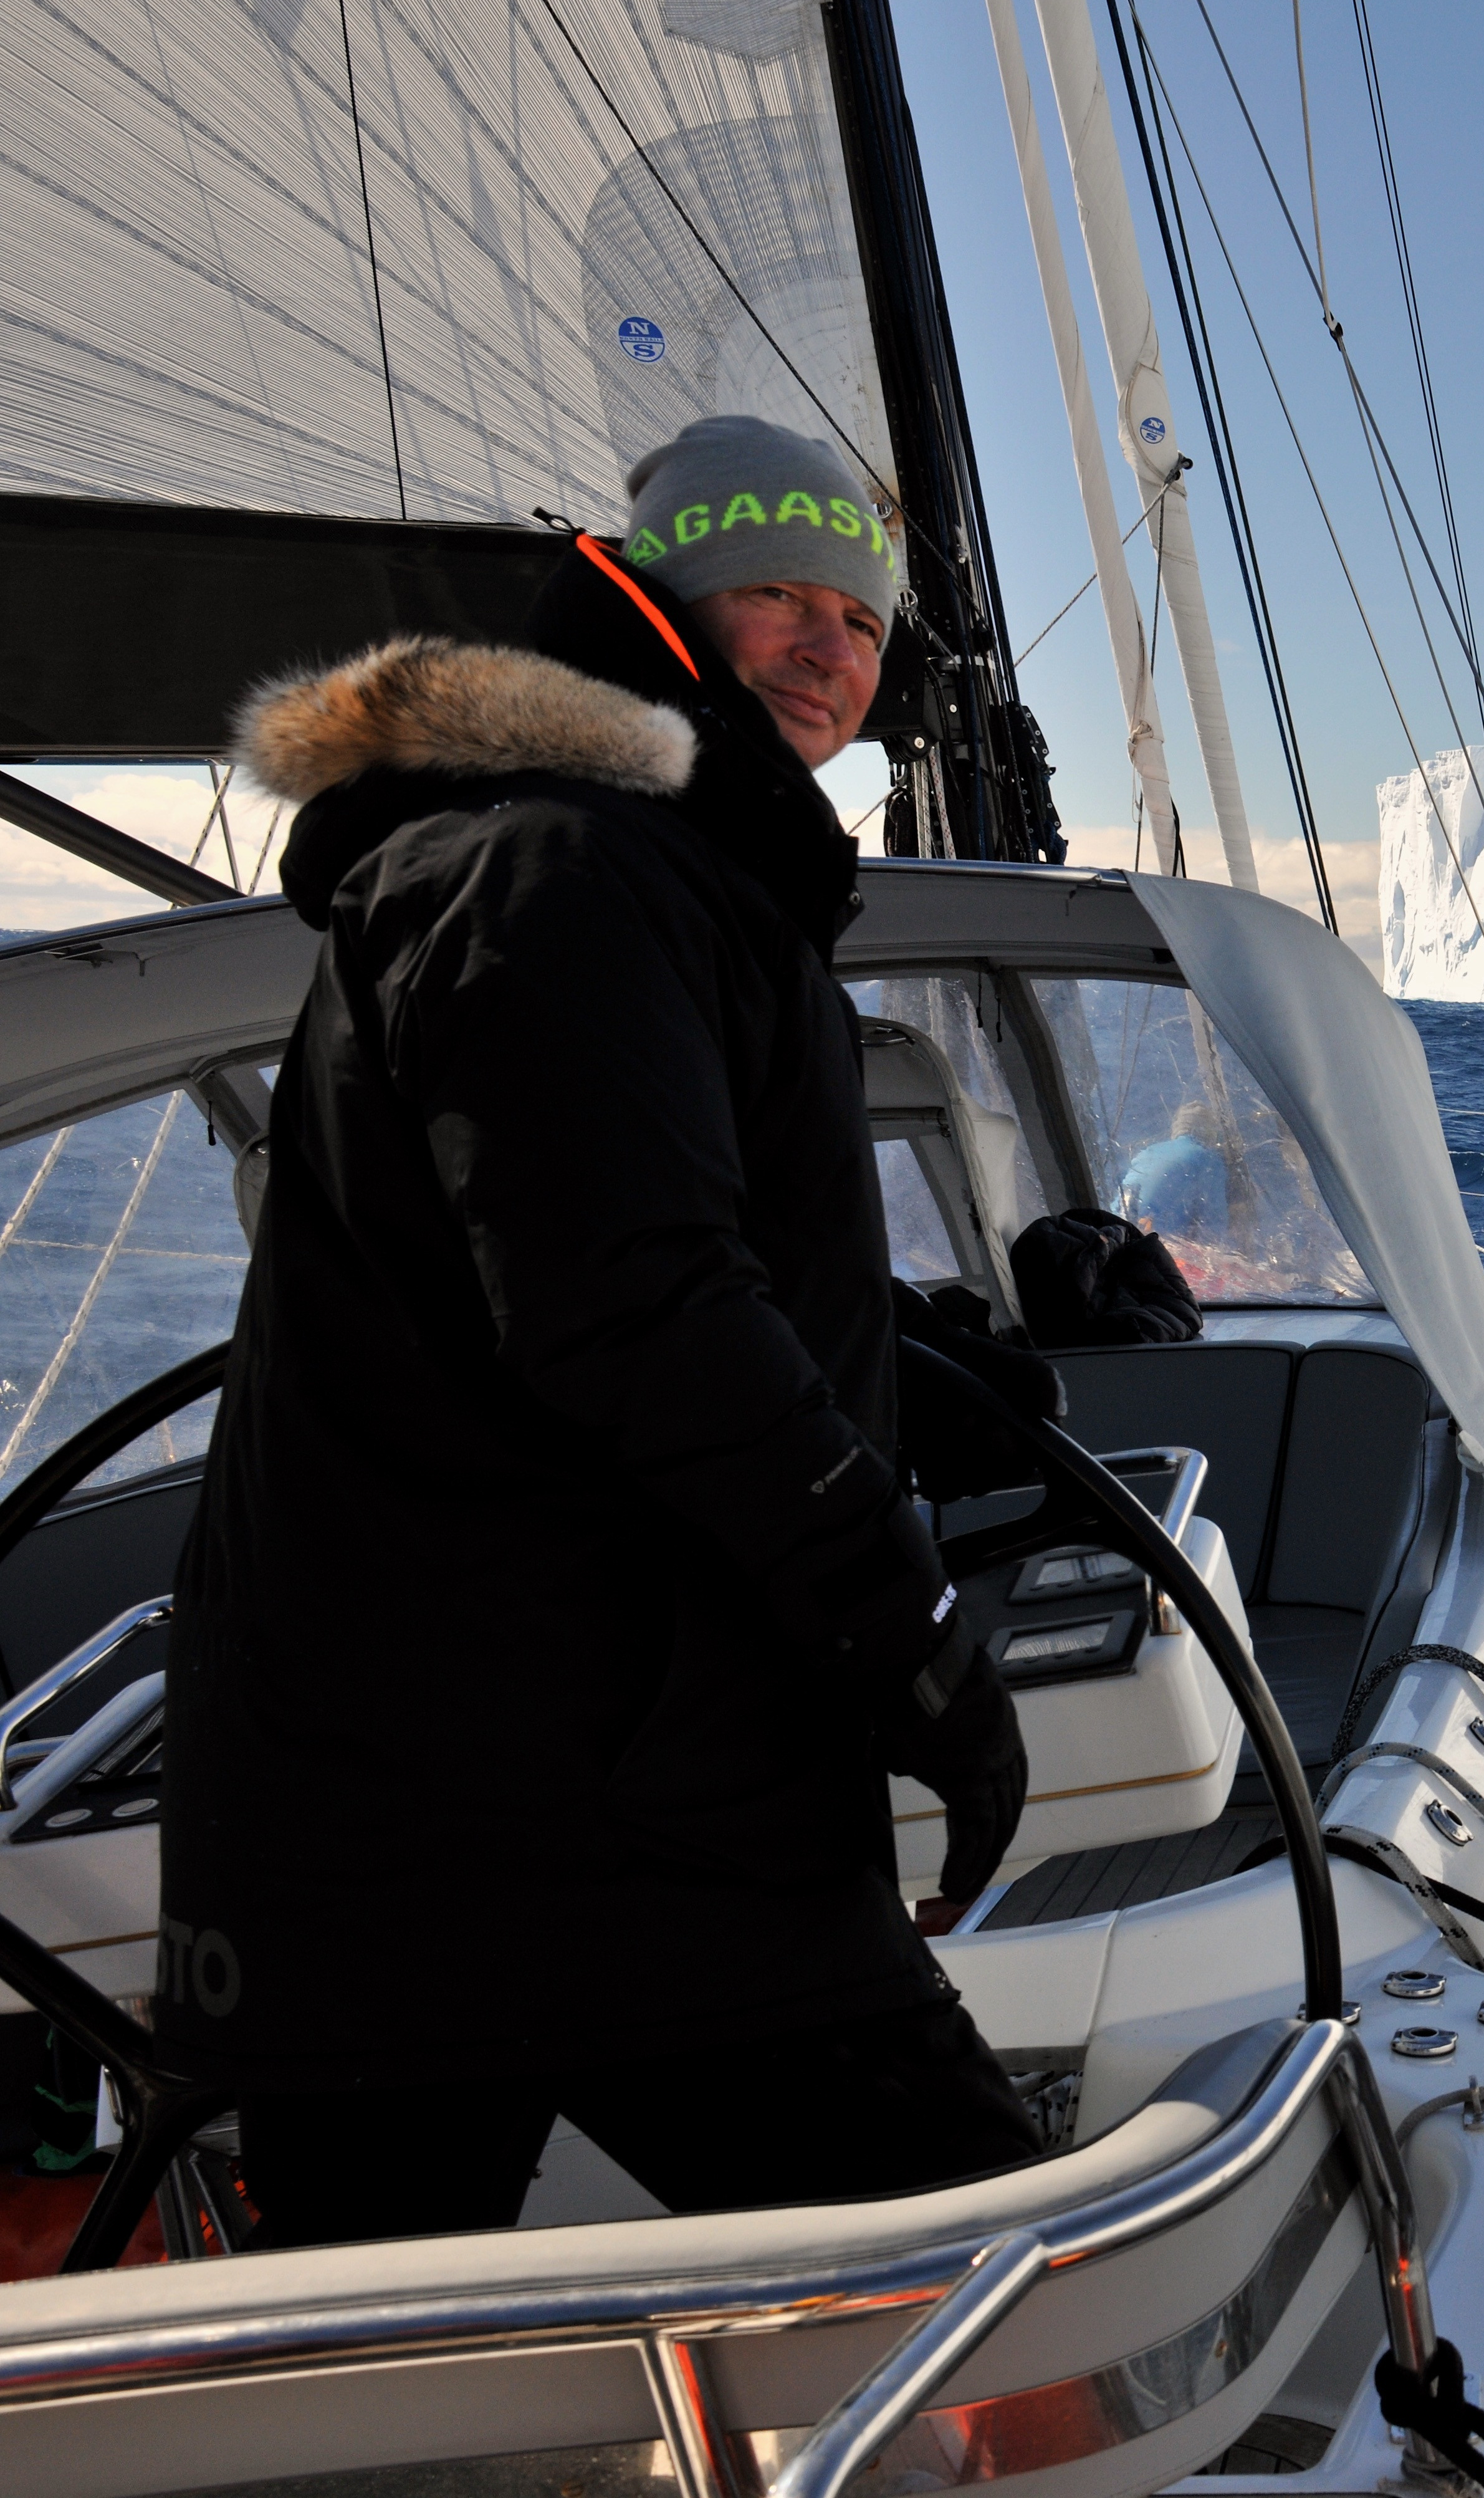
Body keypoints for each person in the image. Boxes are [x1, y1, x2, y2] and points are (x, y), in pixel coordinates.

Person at [165, 416, 1044, 2246]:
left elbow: (609, 1251)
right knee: (1007, 2307)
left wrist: (915, 1384)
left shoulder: (614, 865)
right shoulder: (557, 868)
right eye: (775, 599)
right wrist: (920, 1644)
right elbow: (632, 1304)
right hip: (591, 1812)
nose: (829, 648)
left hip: (445, 1809)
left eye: (862, 619)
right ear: (650, 606)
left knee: (380, 2381)